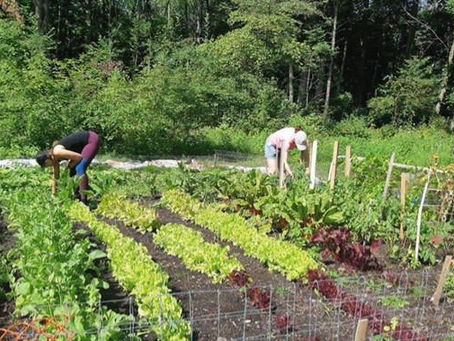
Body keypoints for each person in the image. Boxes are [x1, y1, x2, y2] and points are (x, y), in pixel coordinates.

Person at [36, 131, 100, 204]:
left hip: (91, 140)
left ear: (47, 160)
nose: (49, 166)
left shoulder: (57, 152)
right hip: (82, 146)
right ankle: (80, 195)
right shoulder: (54, 160)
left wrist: (70, 165)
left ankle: (84, 202)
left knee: (80, 168)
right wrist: (54, 195)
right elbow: (56, 178)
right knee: (72, 173)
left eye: (47, 165)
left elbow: (79, 157)